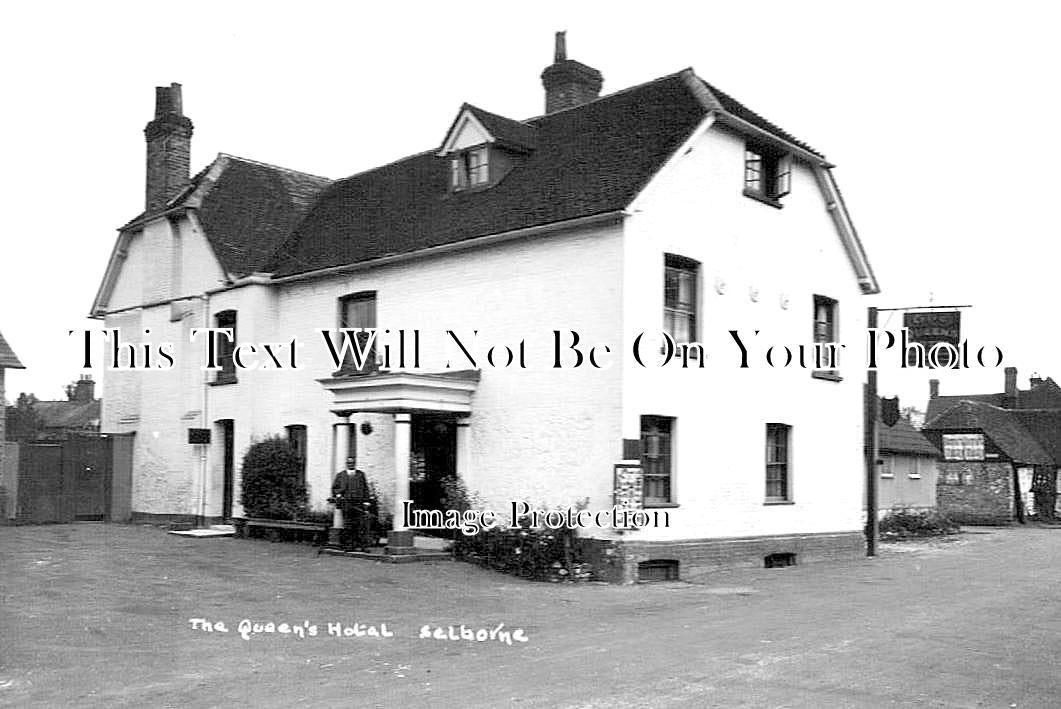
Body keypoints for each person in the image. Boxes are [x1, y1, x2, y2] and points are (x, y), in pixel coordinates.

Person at [331, 456, 372, 550]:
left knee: (360, 525)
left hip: (359, 503)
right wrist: (338, 494)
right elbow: (334, 488)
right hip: (346, 503)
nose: (351, 464)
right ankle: (349, 545)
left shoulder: (360, 475)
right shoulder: (340, 475)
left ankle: (361, 546)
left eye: (352, 463)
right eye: (349, 463)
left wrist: (366, 501)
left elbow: (365, 488)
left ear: (355, 463)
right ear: (346, 464)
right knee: (348, 525)